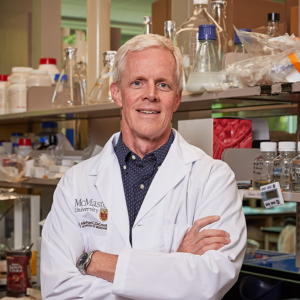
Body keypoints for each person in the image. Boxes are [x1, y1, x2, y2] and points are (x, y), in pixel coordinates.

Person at [41, 34, 246, 300]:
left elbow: (209, 281)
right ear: (117, 93)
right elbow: (59, 291)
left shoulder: (213, 178)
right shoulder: (76, 182)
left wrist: (95, 262)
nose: (150, 95)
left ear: (177, 97)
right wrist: (175, 262)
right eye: (137, 82)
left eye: (163, 84)